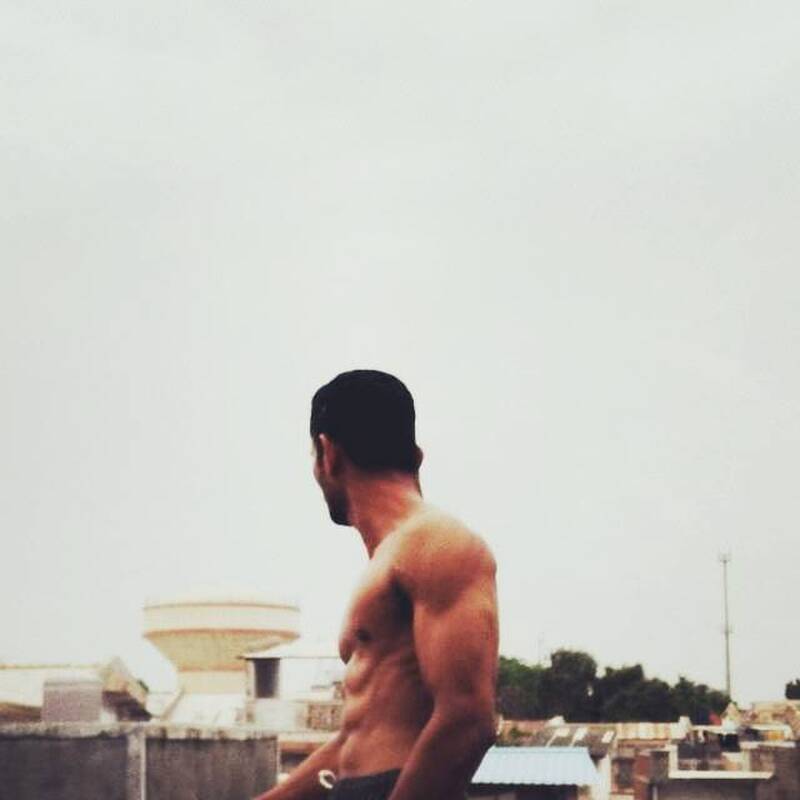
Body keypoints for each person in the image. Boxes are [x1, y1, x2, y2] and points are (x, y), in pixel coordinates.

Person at [255, 369, 498, 800]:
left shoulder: (435, 541)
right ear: (416, 456)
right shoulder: (395, 556)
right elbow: (358, 741)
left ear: (328, 453)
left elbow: (468, 719)